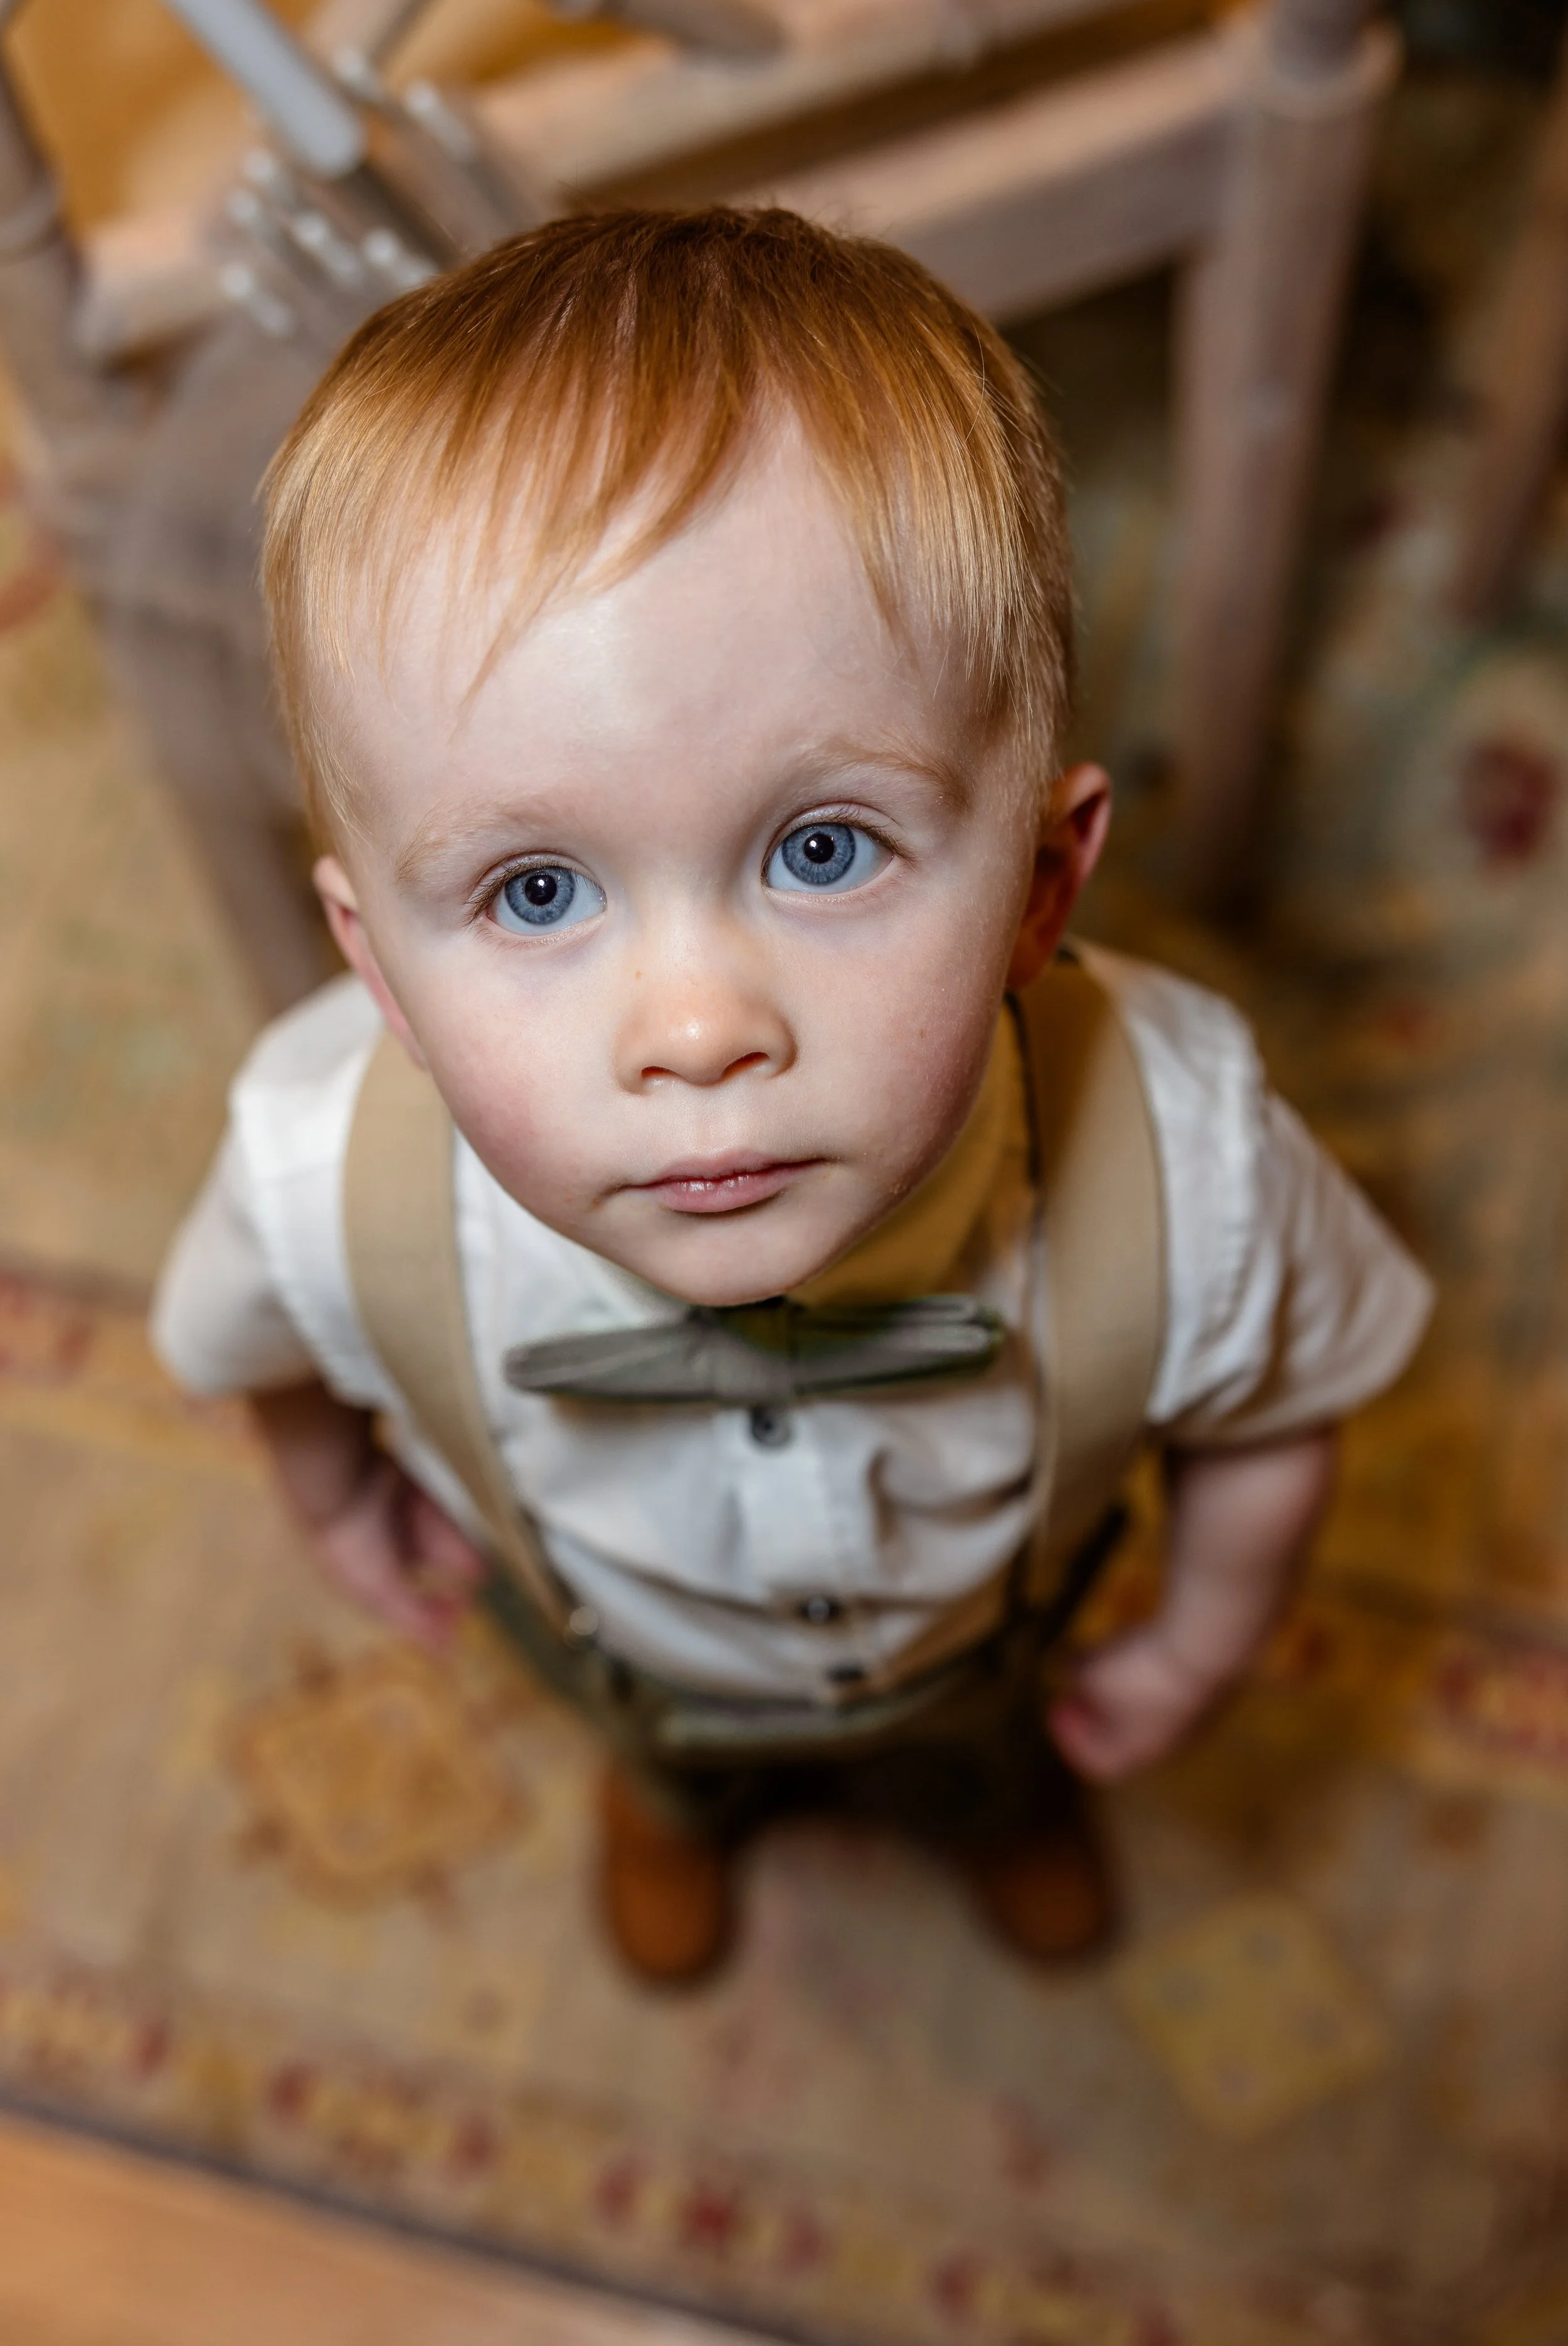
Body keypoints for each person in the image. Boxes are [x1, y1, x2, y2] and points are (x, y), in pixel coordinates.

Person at [152, 208, 1431, 1985]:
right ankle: (673, 1809)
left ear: (1042, 886)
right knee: (659, 1753)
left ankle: (1000, 1808)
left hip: (990, 1648)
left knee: (997, 1760)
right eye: (535, 891)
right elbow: (249, 1343)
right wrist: (338, 1496)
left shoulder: (1185, 1152)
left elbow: (1281, 1406)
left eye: (823, 849)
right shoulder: (316, 1163)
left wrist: (1198, 1640)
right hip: (625, 1643)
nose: (692, 1026)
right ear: (378, 973)